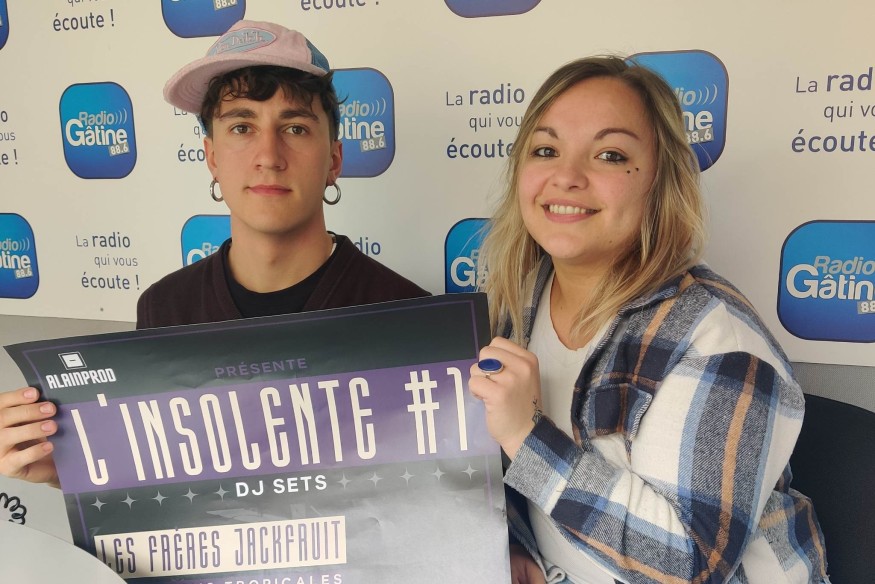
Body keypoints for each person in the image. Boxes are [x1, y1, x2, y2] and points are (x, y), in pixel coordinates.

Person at [0, 19, 428, 487]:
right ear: (211, 157)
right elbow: (161, 479)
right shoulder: (165, 309)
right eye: (242, 126)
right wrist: (70, 471)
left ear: (334, 160)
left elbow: (429, 494)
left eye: (296, 128)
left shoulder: (412, 317)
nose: (269, 156)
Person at [468, 57, 829, 584]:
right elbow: (521, 487)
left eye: (610, 155)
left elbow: (691, 566)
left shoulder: (718, 340)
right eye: (545, 150)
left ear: (660, 183)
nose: (566, 176)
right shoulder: (518, 303)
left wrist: (527, 436)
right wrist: (520, 546)